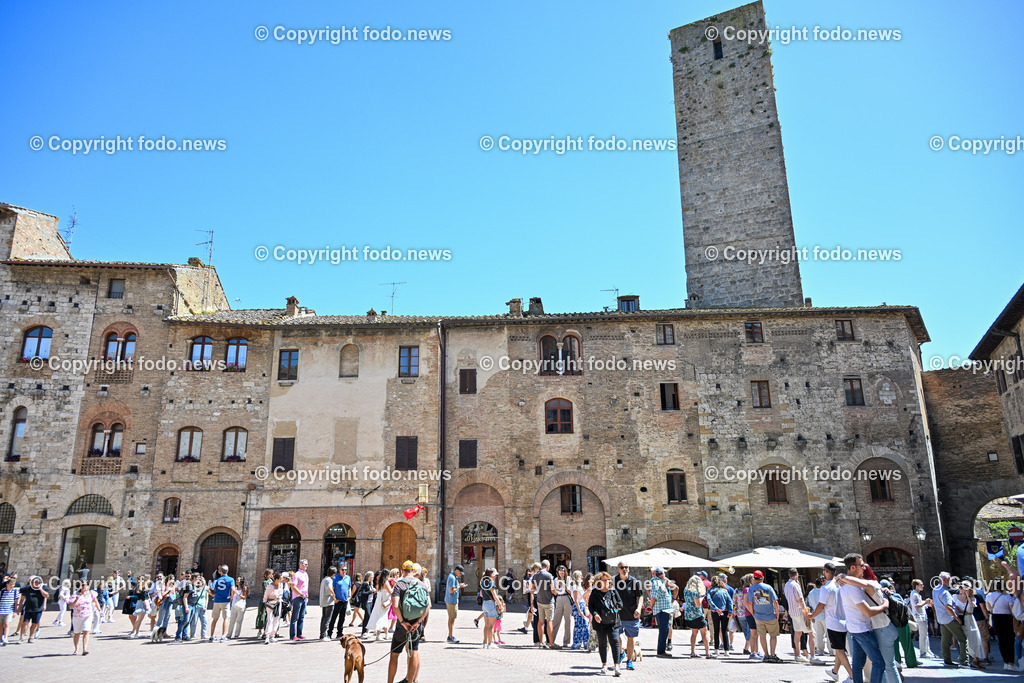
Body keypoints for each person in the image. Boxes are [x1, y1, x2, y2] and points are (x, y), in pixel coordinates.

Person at [838, 553, 897, 683]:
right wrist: (884, 606)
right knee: (879, 663)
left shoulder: (847, 584)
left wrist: (841, 577)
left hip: (854, 628)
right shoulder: (853, 588)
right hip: (862, 629)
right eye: (861, 565)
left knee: (858, 664)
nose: (864, 567)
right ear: (853, 567)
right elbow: (868, 612)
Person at [808, 562, 852, 682]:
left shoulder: (826, 588)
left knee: (840, 651)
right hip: (844, 621)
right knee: (839, 649)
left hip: (833, 622)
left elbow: (821, 606)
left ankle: (853, 676)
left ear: (825, 572)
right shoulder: (840, 585)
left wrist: (812, 615)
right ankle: (834, 672)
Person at [386, 561, 428, 683]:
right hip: (415, 625)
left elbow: (394, 605)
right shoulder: (422, 584)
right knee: (414, 652)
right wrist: (418, 622)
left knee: (394, 655)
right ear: (414, 571)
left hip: (402, 625)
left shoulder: (399, 585)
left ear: (403, 570)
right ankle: (411, 681)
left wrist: (403, 622)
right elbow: (428, 606)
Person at [589, 571, 623, 676]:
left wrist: (618, 606)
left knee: (615, 642)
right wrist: (595, 615)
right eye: (604, 580)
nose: (607, 582)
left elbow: (620, 603)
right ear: (599, 582)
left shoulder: (613, 591)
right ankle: (604, 665)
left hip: (613, 622)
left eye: (608, 580)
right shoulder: (595, 592)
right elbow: (591, 606)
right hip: (600, 622)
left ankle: (617, 666)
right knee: (602, 644)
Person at [932, 571, 968, 667]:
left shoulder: (935, 590)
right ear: (945, 580)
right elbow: (948, 607)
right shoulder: (945, 592)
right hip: (949, 618)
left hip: (941, 619)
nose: (951, 581)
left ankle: (947, 660)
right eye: (950, 579)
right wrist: (956, 617)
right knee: (963, 639)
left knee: (945, 640)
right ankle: (964, 660)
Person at [784, 567, 819, 663]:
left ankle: (798, 655)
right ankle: (812, 656)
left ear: (789, 574)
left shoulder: (786, 585)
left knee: (797, 632)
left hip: (792, 612)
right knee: (812, 633)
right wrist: (805, 611)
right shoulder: (795, 585)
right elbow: (800, 600)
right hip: (799, 611)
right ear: (797, 574)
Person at [881, 579, 917, 669]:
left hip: (890, 623)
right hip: (901, 622)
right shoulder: (896, 595)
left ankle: (897, 663)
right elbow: (904, 608)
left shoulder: (881, 598)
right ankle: (911, 662)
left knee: (894, 644)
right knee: (907, 644)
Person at [613, 562, 643, 670]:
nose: (625, 569)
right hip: (617, 615)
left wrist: (639, 608)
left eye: (626, 567)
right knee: (616, 636)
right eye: (622, 567)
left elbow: (640, 597)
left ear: (629, 569)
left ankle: (629, 661)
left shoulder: (634, 582)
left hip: (631, 615)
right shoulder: (614, 581)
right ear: (618, 570)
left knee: (631, 638)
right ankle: (621, 653)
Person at [747, 569, 781, 663]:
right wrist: (777, 613)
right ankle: (773, 654)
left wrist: (753, 613)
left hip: (758, 616)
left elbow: (749, 603)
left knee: (762, 635)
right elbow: (775, 602)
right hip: (770, 615)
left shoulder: (752, 588)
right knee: (773, 635)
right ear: (762, 578)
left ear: (754, 578)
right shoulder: (768, 587)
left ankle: (766, 654)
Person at [987, 581, 1019, 671]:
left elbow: (989, 608)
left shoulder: (989, 596)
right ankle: (1011, 663)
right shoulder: (1008, 597)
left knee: (1001, 641)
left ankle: (1005, 662)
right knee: (1009, 640)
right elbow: (1012, 610)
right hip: (1007, 618)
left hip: (995, 618)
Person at [954, 580, 985, 669]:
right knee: (962, 639)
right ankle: (965, 658)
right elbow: (954, 608)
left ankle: (975, 658)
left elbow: (972, 606)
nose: (961, 589)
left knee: (974, 638)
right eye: (960, 587)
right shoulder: (955, 597)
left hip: (970, 619)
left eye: (963, 588)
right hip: (961, 619)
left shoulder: (972, 598)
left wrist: (968, 596)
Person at [682, 573, 711, 659]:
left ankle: (692, 651)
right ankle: (707, 653)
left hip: (689, 615)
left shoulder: (686, 590)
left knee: (694, 633)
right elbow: (697, 604)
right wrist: (702, 598)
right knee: (705, 632)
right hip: (697, 615)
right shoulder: (694, 592)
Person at [68, 581, 100, 655]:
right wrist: (76, 599)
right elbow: (70, 607)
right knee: (77, 633)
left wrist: (99, 610)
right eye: (82, 585)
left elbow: (96, 601)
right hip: (77, 616)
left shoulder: (91, 594)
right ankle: (76, 649)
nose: (84, 587)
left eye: (86, 585)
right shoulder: (75, 595)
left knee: (86, 631)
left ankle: (84, 649)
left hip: (88, 615)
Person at [15, 576, 48, 643]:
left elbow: (46, 595)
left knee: (35, 623)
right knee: (25, 623)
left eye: (35, 582)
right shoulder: (28, 588)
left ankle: (31, 637)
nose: (33, 584)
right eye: (32, 582)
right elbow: (19, 590)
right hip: (28, 608)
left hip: (38, 609)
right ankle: (22, 637)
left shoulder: (43, 587)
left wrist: (40, 589)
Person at [208, 564, 236, 642]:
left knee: (215, 618)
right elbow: (233, 589)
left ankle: (212, 636)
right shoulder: (230, 579)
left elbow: (208, 588)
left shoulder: (217, 580)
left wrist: (212, 594)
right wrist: (231, 597)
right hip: (225, 601)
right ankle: (223, 636)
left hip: (217, 600)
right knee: (226, 618)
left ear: (220, 571)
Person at [708, 575, 733, 654]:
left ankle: (716, 650)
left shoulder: (710, 590)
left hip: (715, 612)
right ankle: (726, 650)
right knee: (724, 630)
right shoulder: (724, 590)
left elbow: (709, 600)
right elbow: (729, 601)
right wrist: (730, 611)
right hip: (725, 611)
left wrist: (716, 608)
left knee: (716, 630)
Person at [907, 579, 932, 659]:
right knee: (923, 634)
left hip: (922, 616)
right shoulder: (914, 595)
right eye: (921, 584)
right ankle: (923, 652)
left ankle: (927, 650)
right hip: (919, 617)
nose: (923, 586)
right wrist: (925, 602)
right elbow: (917, 606)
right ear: (917, 586)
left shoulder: (916, 594)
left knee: (925, 634)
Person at [533, 560, 555, 648]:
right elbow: (552, 589)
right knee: (549, 621)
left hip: (539, 601)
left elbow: (532, 588)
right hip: (548, 601)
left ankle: (541, 642)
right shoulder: (549, 575)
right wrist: (556, 592)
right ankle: (551, 643)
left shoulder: (535, 575)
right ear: (548, 567)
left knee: (540, 621)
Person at [367, 568, 393, 641]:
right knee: (382, 618)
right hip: (384, 601)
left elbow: (378, 591)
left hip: (379, 601)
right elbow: (391, 592)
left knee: (384, 618)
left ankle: (386, 634)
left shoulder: (379, 582)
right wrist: (395, 587)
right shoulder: (386, 582)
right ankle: (378, 635)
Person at [551, 565, 573, 648]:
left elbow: (571, 591)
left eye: (563, 573)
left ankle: (566, 641)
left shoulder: (568, 579)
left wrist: (564, 585)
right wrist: (557, 586)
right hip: (559, 599)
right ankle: (551, 639)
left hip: (567, 598)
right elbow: (555, 592)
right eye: (560, 573)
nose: (561, 574)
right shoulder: (556, 580)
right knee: (556, 619)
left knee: (568, 620)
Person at [480, 567, 502, 648]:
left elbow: (481, 594)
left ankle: (485, 643)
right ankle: (490, 643)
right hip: (490, 603)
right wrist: (499, 604)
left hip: (484, 603)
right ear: (491, 574)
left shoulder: (483, 582)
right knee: (491, 626)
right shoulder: (491, 582)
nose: (496, 576)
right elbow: (494, 594)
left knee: (486, 625)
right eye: (495, 575)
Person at [570, 570, 590, 650]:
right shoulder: (575, 587)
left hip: (582, 605)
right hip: (578, 607)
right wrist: (580, 612)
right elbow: (576, 600)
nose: (582, 577)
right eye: (580, 576)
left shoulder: (579, 586)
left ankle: (585, 643)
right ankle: (577, 643)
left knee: (584, 625)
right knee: (579, 625)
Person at [445, 564, 466, 643]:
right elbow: (451, 590)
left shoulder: (453, 577)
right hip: (452, 600)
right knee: (451, 619)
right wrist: (459, 587)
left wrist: (459, 585)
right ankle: (450, 637)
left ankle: (450, 635)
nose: (460, 575)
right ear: (457, 571)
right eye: (460, 573)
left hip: (452, 600)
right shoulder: (452, 577)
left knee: (452, 618)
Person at [263, 572, 285, 644]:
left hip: (278, 603)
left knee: (277, 619)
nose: (282, 580)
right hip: (271, 604)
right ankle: (267, 636)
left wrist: (279, 597)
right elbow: (266, 596)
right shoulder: (270, 587)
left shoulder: (281, 585)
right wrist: (265, 603)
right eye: (281, 579)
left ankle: (273, 635)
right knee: (270, 619)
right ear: (277, 579)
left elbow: (281, 594)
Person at [319, 566, 339, 640]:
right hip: (328, 602)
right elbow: (330, 589)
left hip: (323, 601)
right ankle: (323, 635)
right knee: (327, 619)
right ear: (333, 573)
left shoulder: (324, 579)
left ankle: (322, 634)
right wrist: (334, 595)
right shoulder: (329, 580)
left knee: (324, 618)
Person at [174, 572, 194, 641]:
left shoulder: (192, 584)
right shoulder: (184, 583)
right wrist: (186, 606)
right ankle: (178, 636)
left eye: (188, 576)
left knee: (188, 621)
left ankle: (184, 635)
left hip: (192, 604)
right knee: (184, 621)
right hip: (186, 604)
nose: (187, 577)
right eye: (186, 576)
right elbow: (183, 595)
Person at [255, 568, 273, 639]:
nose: (272, 575)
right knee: (262, 615)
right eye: (271, 574)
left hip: (270, 600)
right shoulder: (265, 582)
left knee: (268, 617)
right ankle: (260, 631)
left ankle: (266, 632)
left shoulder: (271, 581)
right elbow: (266, 592)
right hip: (264, 601)